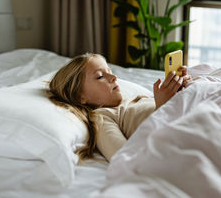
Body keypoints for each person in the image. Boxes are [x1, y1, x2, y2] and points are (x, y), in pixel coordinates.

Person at [48, 53, 192, 162]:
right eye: (100, 76)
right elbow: (124, 158)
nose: (114, 77)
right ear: (80, 97)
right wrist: (162, 109)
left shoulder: (136, 99)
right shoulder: (102, 117)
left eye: (110, 71)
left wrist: (184, 89)